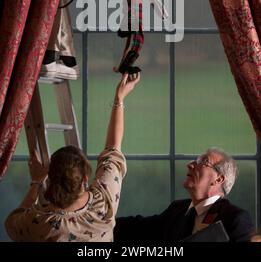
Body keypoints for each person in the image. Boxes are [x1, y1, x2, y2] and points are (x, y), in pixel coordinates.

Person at [5, 72, 140, 242]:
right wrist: (119, 97)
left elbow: (12, 223)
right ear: (84, 178)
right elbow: (113, 147)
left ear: (51, 179)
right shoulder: (103, 204)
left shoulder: (41, 222)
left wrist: (37, 182)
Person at [114, 147, 254, 242]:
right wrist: (97, 219)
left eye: (203, 162)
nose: (190, 164)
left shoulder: (235, 219)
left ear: (218, 179)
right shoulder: (177, 209)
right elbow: (138, 228)